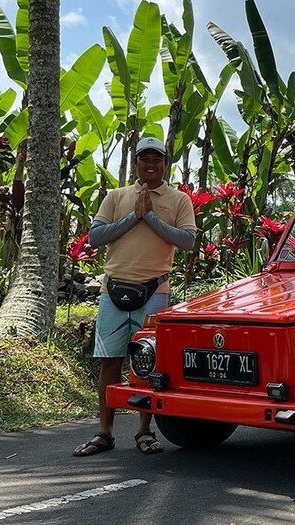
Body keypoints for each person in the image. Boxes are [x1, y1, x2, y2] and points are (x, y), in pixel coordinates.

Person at [73, 136, 197, 457]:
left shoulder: (178, 200)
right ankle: (105, 432)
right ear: (137, 162)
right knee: (110, 362)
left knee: (148, 364)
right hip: (112, 289)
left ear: (165, 163)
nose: (150, 164)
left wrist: (152, 217)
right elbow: (96, 236)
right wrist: (133, 216)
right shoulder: (116, 197)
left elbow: (187, 241)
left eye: (157, 158)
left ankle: (144, 431)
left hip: (155, 291)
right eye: (144, 158)